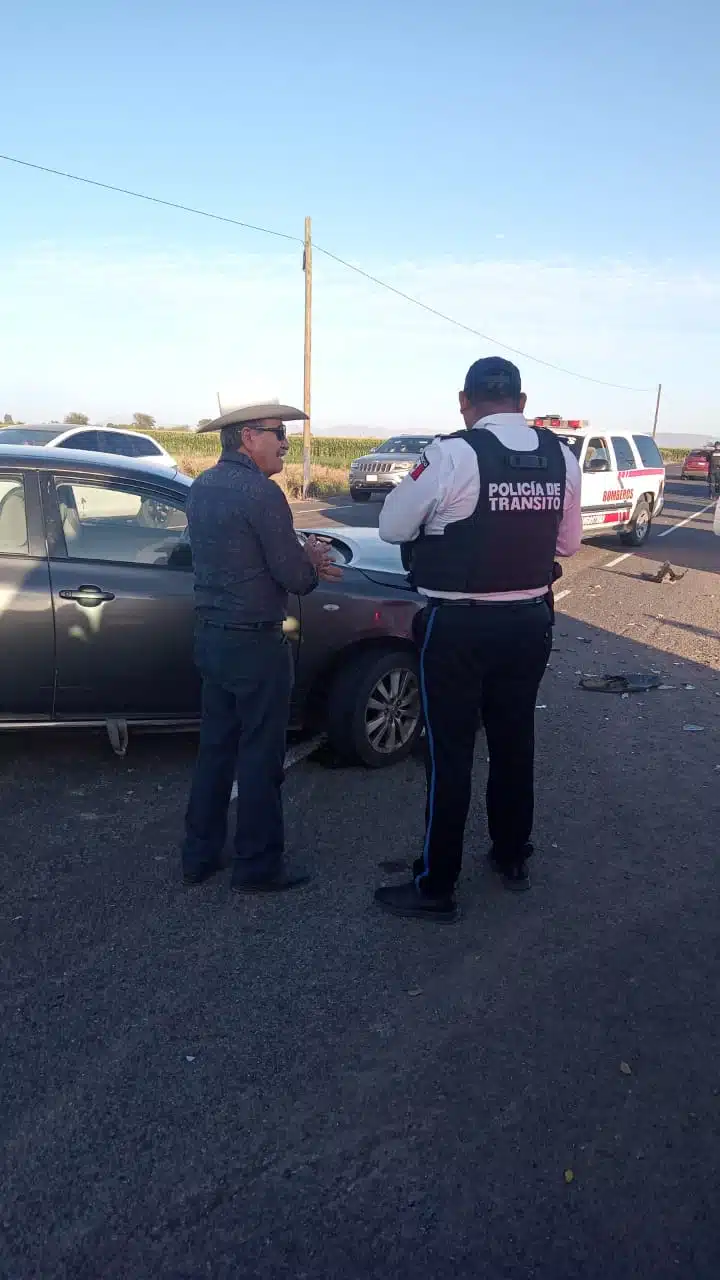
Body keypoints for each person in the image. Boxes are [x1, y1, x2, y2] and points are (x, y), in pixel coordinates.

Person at [375, 358, 582, 922]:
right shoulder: (560, 456)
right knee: (516, 743)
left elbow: (392, 527)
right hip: (528, 622)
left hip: (460, 626)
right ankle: (511, 855)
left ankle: (437, 884)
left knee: (450, 754)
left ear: (464, 401)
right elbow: (568, 546)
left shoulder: (451, 453)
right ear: (521, 400)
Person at [181, 402, 341, 893]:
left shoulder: (202, 487)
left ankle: (199, 855)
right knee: (260, 757)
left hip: (211, 637)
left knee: (215, 750)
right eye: (279, 434)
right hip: (255, 643)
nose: (286, 443)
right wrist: (312, 560)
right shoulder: (262, 493)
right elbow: (295, 578)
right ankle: (257, 865)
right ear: (249, 436)